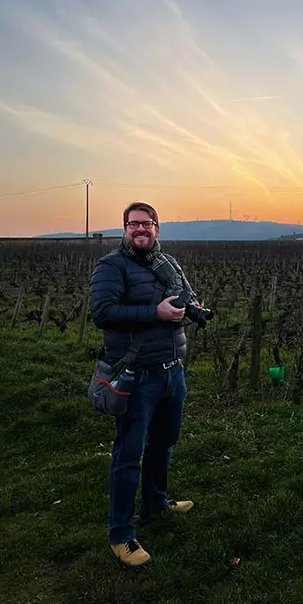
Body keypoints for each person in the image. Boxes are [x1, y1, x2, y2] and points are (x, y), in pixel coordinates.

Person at [90, 201, 195, 567]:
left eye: (147, 224)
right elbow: (101, 313)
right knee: (128, 454)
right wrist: (157, 313)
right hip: (137, 375)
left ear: (157, 229)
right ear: (124, 229)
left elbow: (185, 294)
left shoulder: (168, 265)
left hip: (171, 371)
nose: (141, 229)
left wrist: (189, 307)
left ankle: (155, 505)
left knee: (163, 444)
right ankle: (120, 534)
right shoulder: (111, 266)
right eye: (134, 224)